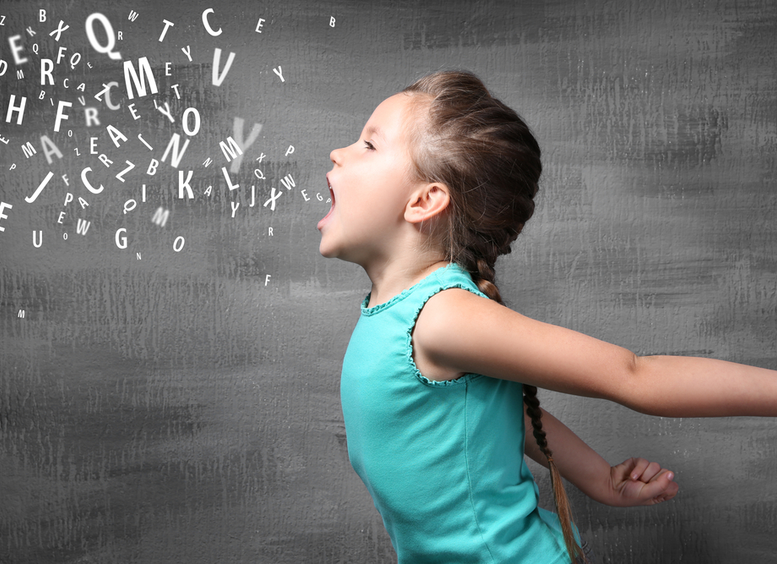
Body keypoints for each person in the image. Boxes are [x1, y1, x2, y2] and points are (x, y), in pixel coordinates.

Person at [316, 70, 777, 563]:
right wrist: (600, 478)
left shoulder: (440, 316)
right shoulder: (400, 312)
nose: (337, 153)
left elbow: (634, 375)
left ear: (425, 200)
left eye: (368, 145)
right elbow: (493, 416)